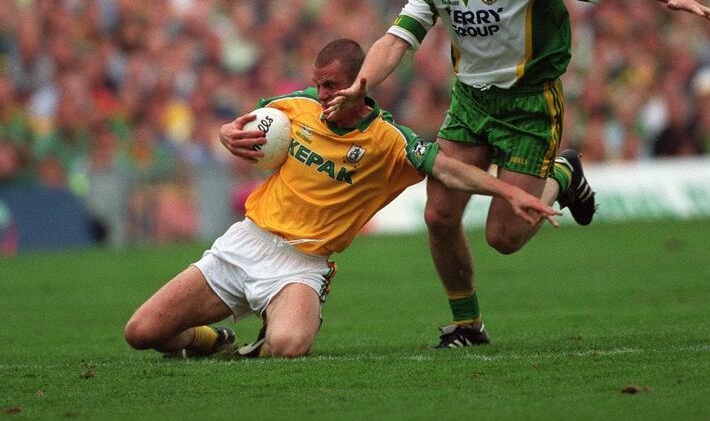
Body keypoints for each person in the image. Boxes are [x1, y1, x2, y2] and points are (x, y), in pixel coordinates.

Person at [324, 0, 710, 348]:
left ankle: (562, 174)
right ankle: (467, 326)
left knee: (505, 237)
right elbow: (398, 38)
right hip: (472, 103)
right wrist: (362, 85)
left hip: (530, 106)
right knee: (439, 214)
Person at [124, 38, 559, 359]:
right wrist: (224, 133)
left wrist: (507, 191)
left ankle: (279, 323)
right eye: (317, 85)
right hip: (245, 244)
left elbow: (446, 168)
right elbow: (241, 126)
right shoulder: (294, 108)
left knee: (288, 347)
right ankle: (211, 339)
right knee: (142, 332)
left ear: (359, 84)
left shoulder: (389, 141)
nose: (322, 95)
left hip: (301, 265)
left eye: (331, 86)